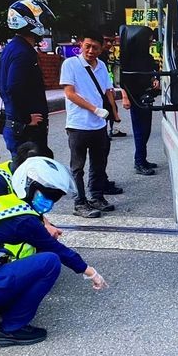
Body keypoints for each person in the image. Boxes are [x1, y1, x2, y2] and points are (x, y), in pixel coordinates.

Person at [0, 156, 107, 347]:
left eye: (55, 197)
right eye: (46, 194)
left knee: (17, 266)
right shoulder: (23, 220)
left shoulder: (3, 202)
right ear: (27, 185)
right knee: (49, 262)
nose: (50, 201)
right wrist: (90, 272)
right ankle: (10, 329)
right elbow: (58, 250)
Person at [59, 30, 121, 218]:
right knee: (78, 166)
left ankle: (96, 196)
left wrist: (114, 112)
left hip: (99, 125)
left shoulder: (101, 65)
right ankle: (80, 202)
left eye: (95, 47)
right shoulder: (70, 64)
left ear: (101, 48)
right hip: (78, 124)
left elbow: (108, 89)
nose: (91, 50)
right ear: (81, 45)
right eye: (87, 46)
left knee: (99, 163)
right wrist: (94, 109)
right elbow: (69, 93)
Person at [0, 0, 55, 158]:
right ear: (30, 21)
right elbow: (14, 87)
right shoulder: (23, 53)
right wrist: (25, 118)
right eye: (41, 19)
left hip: (18, 125)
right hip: (26, 130)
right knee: (32, 174)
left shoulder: (13, 48)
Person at [120, 25, 159, 176]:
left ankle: (143, 158)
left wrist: (154, 79)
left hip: (146, 96)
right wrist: (125, 97)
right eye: (148, 41)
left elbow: (151, 73)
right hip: (134, 97)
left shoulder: (146, 57)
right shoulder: (128, 59)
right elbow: (121, 80)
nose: (150, 44)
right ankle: (139, 162)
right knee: (140, 131)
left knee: (147, 129)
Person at [98, 36, 127, 139]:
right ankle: (104, 132)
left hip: (106, 86)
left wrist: (110, 87)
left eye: (111, 41)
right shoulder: (96, 55)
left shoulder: (105, 54)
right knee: (107, 108)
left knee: (111, 107)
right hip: (98, 89)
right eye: (106, 41)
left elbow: (105, 73)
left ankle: (109, 130)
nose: (109, 44)